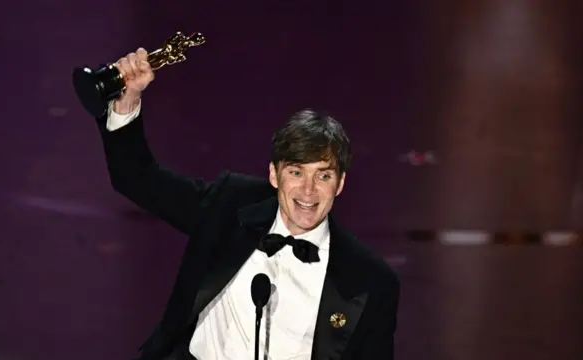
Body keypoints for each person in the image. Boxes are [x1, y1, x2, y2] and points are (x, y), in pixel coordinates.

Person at [97, 48, 400, 360]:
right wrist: (127, 99)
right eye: (296, 172)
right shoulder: (230, 206)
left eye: (323, 176)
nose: (308, 191)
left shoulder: (371, 281)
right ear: (274, 174)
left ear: (341, 184)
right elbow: (137, 179)